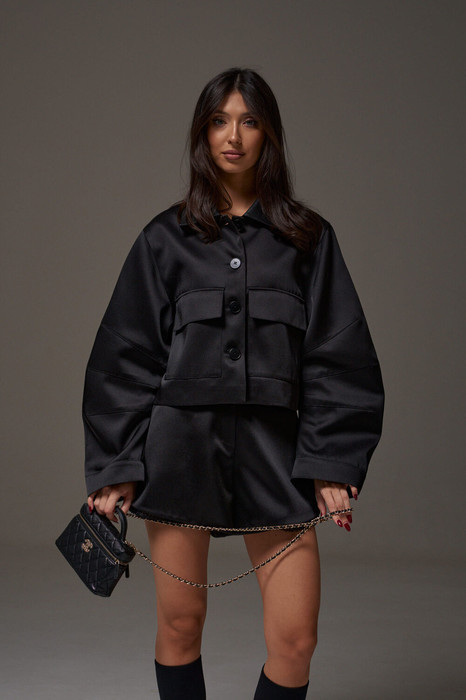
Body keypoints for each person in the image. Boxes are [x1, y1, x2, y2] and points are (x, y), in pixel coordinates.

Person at [83, 67, 385, 699]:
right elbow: (124, 355)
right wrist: (117, 464)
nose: (234, 136)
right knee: (180, 623)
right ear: (202, 133)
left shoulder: (308, 239)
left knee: (295, 641)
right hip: (179, 453)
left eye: (249, 121)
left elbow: (338, 356)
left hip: (275, 455)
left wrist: (331, 462)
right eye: (219, 121)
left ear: (269, 133)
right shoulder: (163, 239)